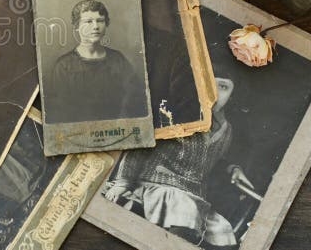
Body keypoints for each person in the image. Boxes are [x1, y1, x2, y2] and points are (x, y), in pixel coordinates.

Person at [103, 77, 255, 250]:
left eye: (223, 87)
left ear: (232, 95)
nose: (213, 90)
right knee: (183, 216)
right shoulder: (175, 112)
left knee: (221, 230)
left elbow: (212, 160)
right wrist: (123, 182)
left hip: (194, 198)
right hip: (157, 187)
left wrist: (233, 169)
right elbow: (142, 147)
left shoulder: (226, 130)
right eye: (208, 81)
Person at [50, 0, 146, 122]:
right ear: (76, 26)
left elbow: (134, 97)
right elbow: (61, 110)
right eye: (88, 21)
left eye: (100, 21)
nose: (95, 26)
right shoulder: (64, 66)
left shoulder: (117, 60)